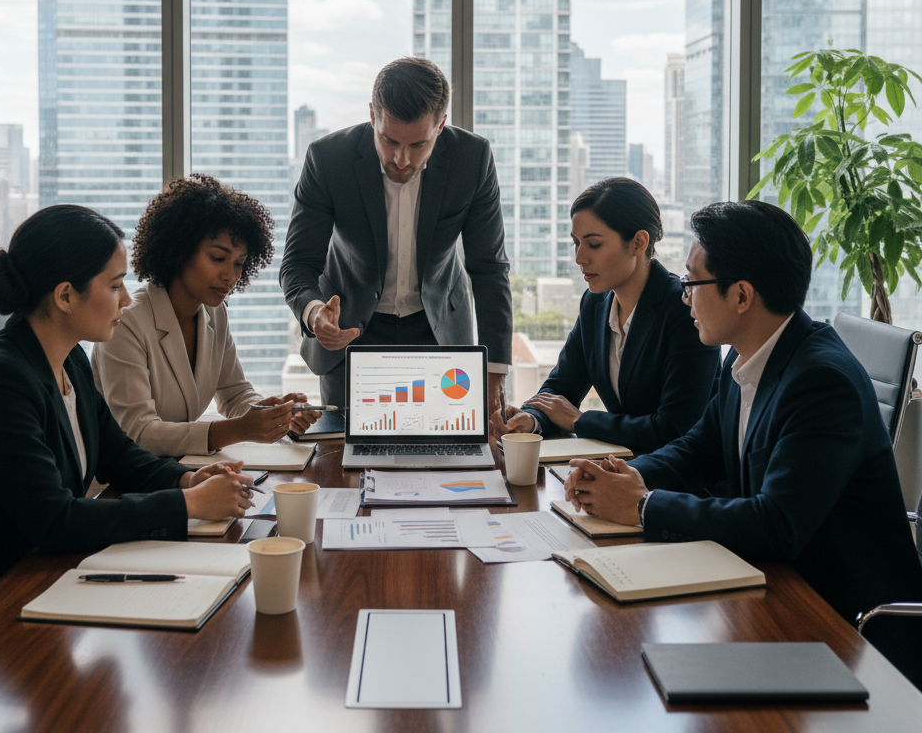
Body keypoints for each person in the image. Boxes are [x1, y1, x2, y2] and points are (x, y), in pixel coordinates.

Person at [564, 199, 922, 684]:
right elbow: (699, 446)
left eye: (693, 283)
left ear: (742, 295)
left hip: (845, 629)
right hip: (771, 586)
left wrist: (643, 506)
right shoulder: (748, 356)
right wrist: (626, 476)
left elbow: (777, 523)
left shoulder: (820, 381)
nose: (684, 297)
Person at [0, 205, 254, 663]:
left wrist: (185, 480)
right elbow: (55, 520)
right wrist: (187, 505)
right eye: (114, 284)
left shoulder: (69, 359)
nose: (127, 299)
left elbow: (118, 454)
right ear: (66, 295)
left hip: (35, 577)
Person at [280, 56, 513, 409]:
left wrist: (495, 370)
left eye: (418, 145)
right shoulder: (328, 159)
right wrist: (315, 313)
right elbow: (298, 262)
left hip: (439, 330)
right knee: (346, 456)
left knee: (446, 455)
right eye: (389, 141)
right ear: (373, 115)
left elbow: (490, 269)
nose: (402, 159)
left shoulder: (472, 158)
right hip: (349, 332)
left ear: (440, 125)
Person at [92, 175, 320, 457]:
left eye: (239, 264)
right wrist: (239, 430)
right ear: (179, 251)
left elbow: (234, 393)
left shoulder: (214, 312)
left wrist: (272, 415)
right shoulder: (127, 321)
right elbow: (138, 432)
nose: (230, 276)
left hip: (180, 472)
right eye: (217, 258)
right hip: (122, 486)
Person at [490, 178, 720, 453]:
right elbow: (562, 386)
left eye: (594, 245)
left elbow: (674, 428)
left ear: (638, 242)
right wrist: (531, 419)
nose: (579, 258)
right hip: (623, 465)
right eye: (576, 243)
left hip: (683, 480)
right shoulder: (595, 303)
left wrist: (581, 420)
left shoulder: (683, 309)